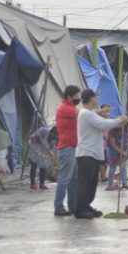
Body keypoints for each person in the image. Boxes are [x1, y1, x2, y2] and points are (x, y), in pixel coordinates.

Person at [74, 89, 128, 219]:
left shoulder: (87, 112)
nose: (97, 100)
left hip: (92, 154)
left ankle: (86, 206)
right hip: (87, 154)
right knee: (85, 183)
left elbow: (94, 113)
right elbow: (103, 124)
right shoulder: (86, 114)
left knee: (91, 184)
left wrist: (101, 111)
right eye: (95, 97)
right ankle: (80, 209)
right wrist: (119, 120)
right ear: (91, 99)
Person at [53, 85, 81, 217]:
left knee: (74, 179)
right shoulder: (66, 108)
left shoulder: (70, 107)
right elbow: (82, 113)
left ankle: (73, 206)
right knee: (64, 178)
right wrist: (98, 111)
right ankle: (58, 207)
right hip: (67, 148)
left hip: (73, 147)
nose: (78, 99)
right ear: (69, 97)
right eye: (76, 96)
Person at [105, 122, 128, 191]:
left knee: (123, 166)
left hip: (123, 147)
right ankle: (110, 185)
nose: (122, 127)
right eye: (120, 125)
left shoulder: (125, 125)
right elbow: (113, 145)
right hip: (113, 150)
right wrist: (122, 152)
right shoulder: (112, 131)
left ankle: (125, 184)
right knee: (113, 167)